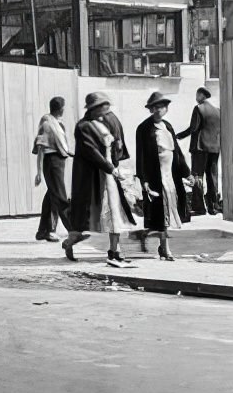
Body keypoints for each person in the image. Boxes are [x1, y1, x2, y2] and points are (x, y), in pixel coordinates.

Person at [63, 91, 137, 268]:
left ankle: (114, 252)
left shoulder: (104, 123)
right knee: (88, 217)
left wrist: (116, 160)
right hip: (95, 176)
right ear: (94, 108)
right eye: (104, 106)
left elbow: (113, 145)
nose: (107, 109)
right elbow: (91, 152)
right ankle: (70, 242)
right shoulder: (83, 127)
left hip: (110, 174)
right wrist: (111, 168)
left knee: (114, 212)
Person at [135, 92, 191, 261]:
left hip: (170, 175)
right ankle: (165, 249)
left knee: (166, 213)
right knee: (161, 213)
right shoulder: (144, 128)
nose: (159, 110)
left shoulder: (168, 126)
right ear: (151, 110)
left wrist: (186, 173)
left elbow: (177, 152)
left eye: (162, 107)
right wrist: (143, 179)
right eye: (155, 107)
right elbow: (141, 155)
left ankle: (152, 239)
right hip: (155, 176)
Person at [32, 96, 74, 242]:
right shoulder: (47, 123)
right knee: (61, 197)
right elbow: (41, 148)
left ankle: (44, 231)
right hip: (52, 162)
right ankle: (73, 229)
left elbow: (62, 146)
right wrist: (38, 172)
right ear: (61, 108)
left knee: (51, 196)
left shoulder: (57, 124)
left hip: (58, 162)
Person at [177, 87, 221, 215]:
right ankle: (213, 206)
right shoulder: (218, 111)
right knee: (212, 177)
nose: (196, 97)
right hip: (214, 148)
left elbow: (193, 128)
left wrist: (178, 136)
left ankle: (199, 206)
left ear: (202, 95)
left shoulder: (199, 108)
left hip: (200, 147)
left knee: (197, 176)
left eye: (197, 94)